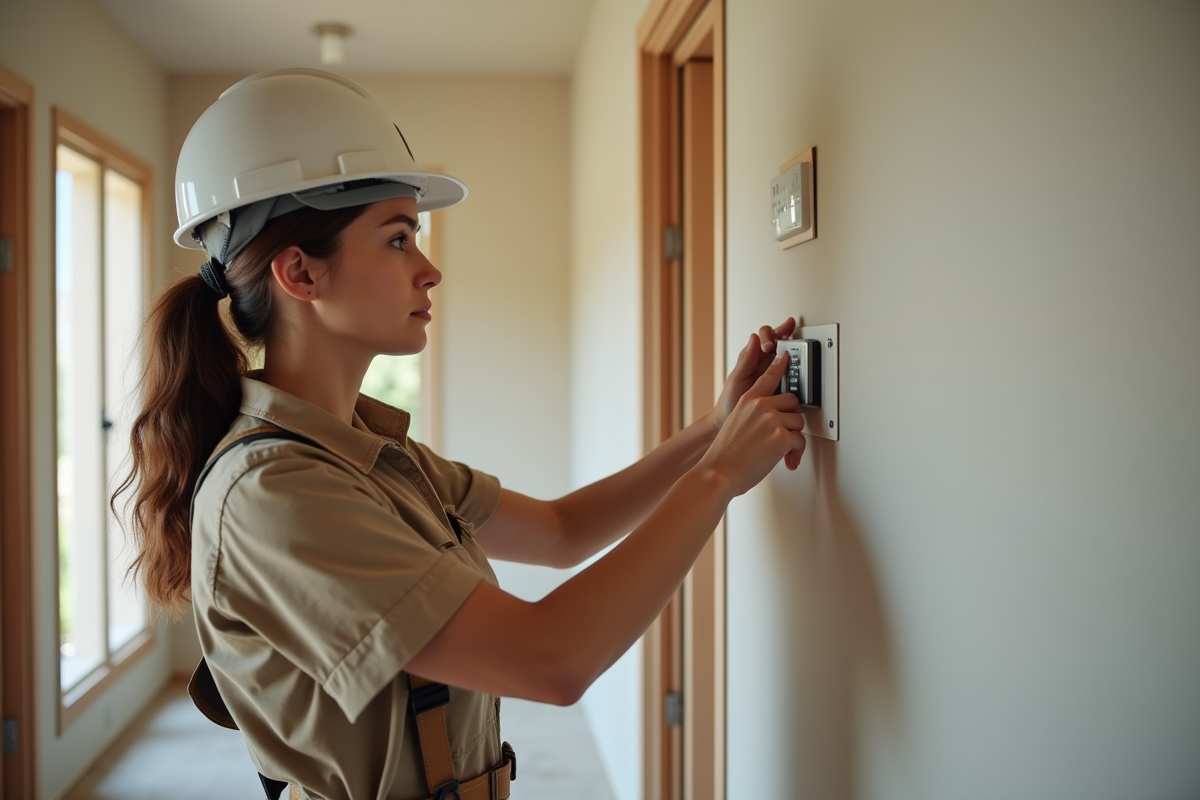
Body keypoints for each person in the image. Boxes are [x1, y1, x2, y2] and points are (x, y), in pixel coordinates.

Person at [114, 68, 806, 800]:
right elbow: (552, 661)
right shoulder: (275, 492)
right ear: (300, 274)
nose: (430, 269)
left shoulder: (364, 450)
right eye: (399, 238)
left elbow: (562, 531)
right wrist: (719, 477)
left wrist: (711, 431)